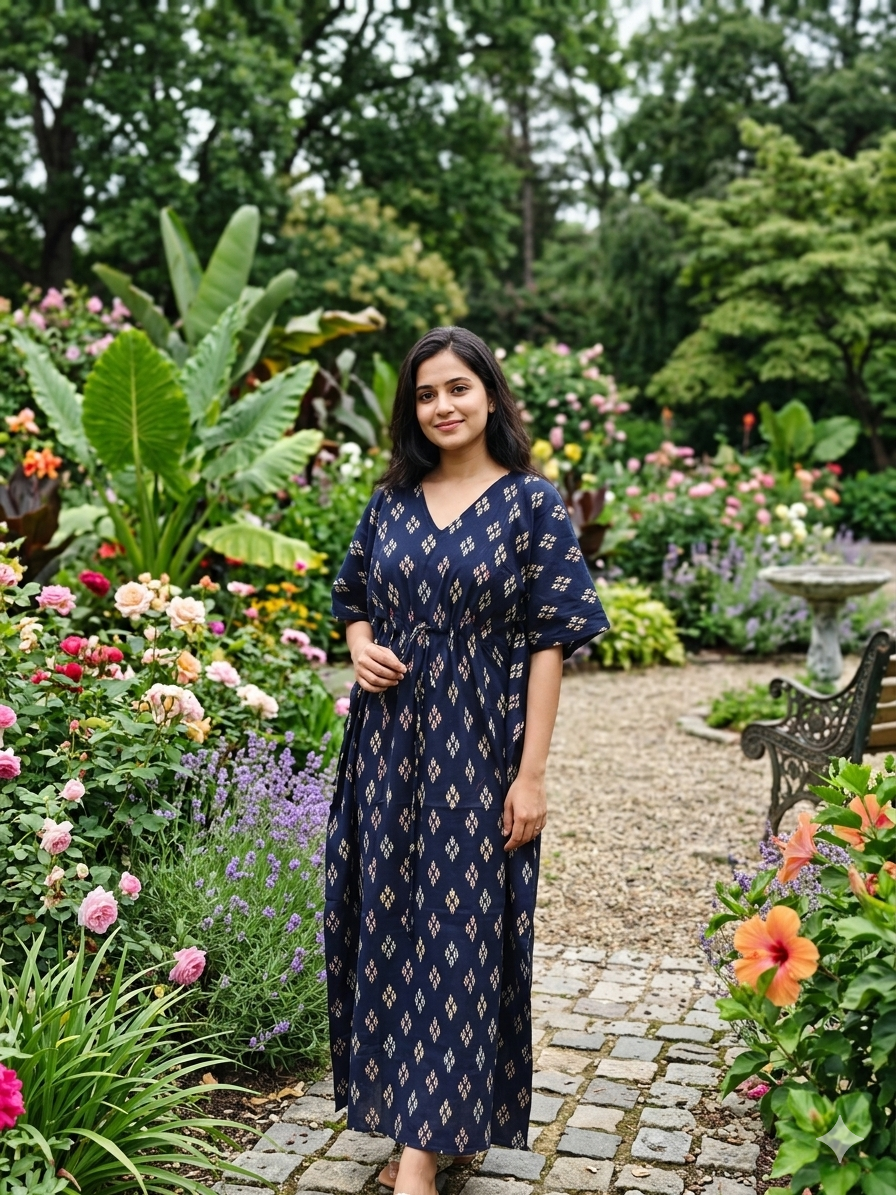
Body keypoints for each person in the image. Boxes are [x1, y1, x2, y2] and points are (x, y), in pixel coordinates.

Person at [325, 326, 609, 1195]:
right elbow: (353, 597)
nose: (442, 406)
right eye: (424, 394)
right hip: (387, 744)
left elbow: (553, 642)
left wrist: (532, 774)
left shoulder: (531, 503)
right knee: (385, 922)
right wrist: (363, 644)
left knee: (462, 932)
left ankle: (419, 1156)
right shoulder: (391, 501)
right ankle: (425, 1120)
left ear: (489, 394)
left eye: (457, 388)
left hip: (480, 749)